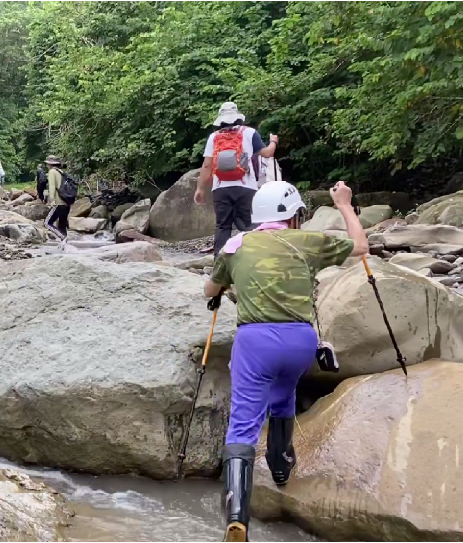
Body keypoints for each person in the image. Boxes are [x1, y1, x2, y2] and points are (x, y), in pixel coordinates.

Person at [203, 180, 367, 542]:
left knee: (243, 425)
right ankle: (280, 470)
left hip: (255, 340)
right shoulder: (308, 241)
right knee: (284, 395)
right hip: (300, 342)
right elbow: (361, 247)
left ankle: (237, 519)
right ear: (293, 217)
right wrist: (343, 205)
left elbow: (210, 290)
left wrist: (228, 287)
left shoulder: (236, 245)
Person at [194, 102, 279, 256]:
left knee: (223, 227)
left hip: (220, 189)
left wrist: (200, 189)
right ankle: (253, 260)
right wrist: (274, 141)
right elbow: (267, 153)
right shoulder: (250, 133)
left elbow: (207, 166)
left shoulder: (214, 137)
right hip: (246, 187)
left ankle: (219, 266)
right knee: (249, 226)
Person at [43, 155, 70, 244]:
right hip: (66, 202)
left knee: (47, 223)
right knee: (62, 225)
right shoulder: (61, 172)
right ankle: (65, 246)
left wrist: (52, 200)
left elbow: (52, 187)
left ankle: (62, 237)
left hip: (59, 202)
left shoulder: (52, 172)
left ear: (49, 164)